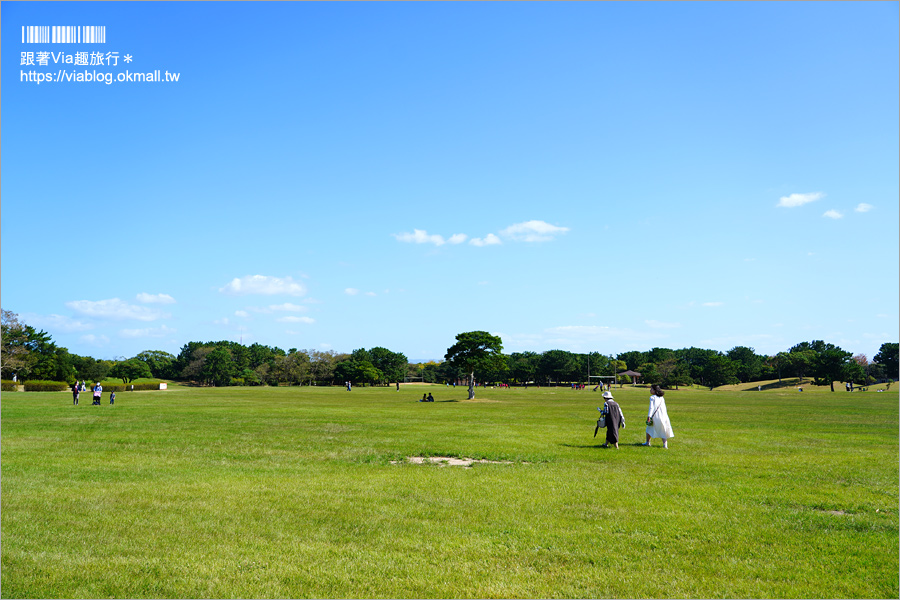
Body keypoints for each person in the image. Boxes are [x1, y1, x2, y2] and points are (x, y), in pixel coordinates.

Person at [643, 384, 674, 449]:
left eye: (651, 389)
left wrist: (649, 416)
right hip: (663, 416)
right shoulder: (662, 398)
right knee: (663, 430)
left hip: (655, 416)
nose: (650, 390)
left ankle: (647, 442)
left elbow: (651, 408)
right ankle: (665, 445)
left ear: (654, 390)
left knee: (648, 429)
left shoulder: (652, 397)